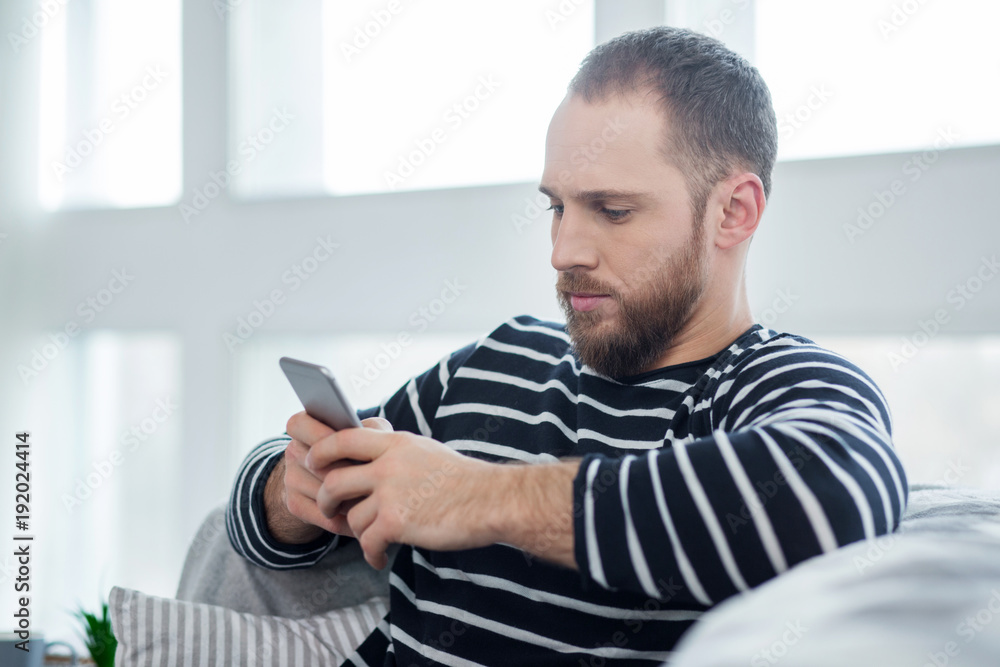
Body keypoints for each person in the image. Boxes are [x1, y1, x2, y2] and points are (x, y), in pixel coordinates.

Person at [227, 26, 907, 665]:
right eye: (557, 207)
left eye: (612, 210)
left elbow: (832, 498)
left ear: (734, 212)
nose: (563, 251)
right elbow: (249, 514)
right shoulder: (495, 361)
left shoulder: (772, 383)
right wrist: (292, 492)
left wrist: (470, 496)